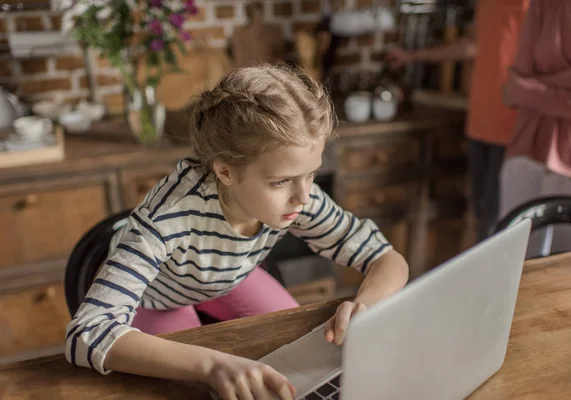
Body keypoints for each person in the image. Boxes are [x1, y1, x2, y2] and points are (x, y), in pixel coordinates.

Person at [65, 64, 409, 400]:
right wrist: (213, 364)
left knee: (305, 352)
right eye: (280, 182)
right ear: (226, 172)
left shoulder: (300, 196)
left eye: (311, 174)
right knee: (199, 388)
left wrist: (366, 305)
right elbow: (87, 333)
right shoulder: (169, 218)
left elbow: (387, 258)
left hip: (228, 277)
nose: (304, 198)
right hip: (159, 298)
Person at [386, 0, 529, 241]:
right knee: (481, 211)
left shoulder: (532, 5)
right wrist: (411, 56)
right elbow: (472, 46)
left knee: (500, 217)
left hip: (513, 127)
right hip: (480, 123)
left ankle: (495, 274)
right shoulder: (487, 4)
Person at [500, 0, 571, 258]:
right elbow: (513, 89)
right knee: (510, 267)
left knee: (570, 278)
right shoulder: (545, 4)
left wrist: (536, 87)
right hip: (528, 149)